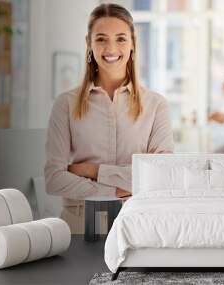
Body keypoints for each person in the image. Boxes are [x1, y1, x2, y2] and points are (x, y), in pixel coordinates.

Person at [44, 4, 174, 234]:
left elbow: (161, 177)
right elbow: (54, 179)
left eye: (121, 39)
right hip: (79, 227)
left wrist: (93, 171)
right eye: (101, 39)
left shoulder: (156, 105)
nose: (111, 48)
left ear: (133, 42)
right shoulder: (65, 104)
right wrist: (114, 192)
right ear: (89, 43)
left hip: (137, 226)